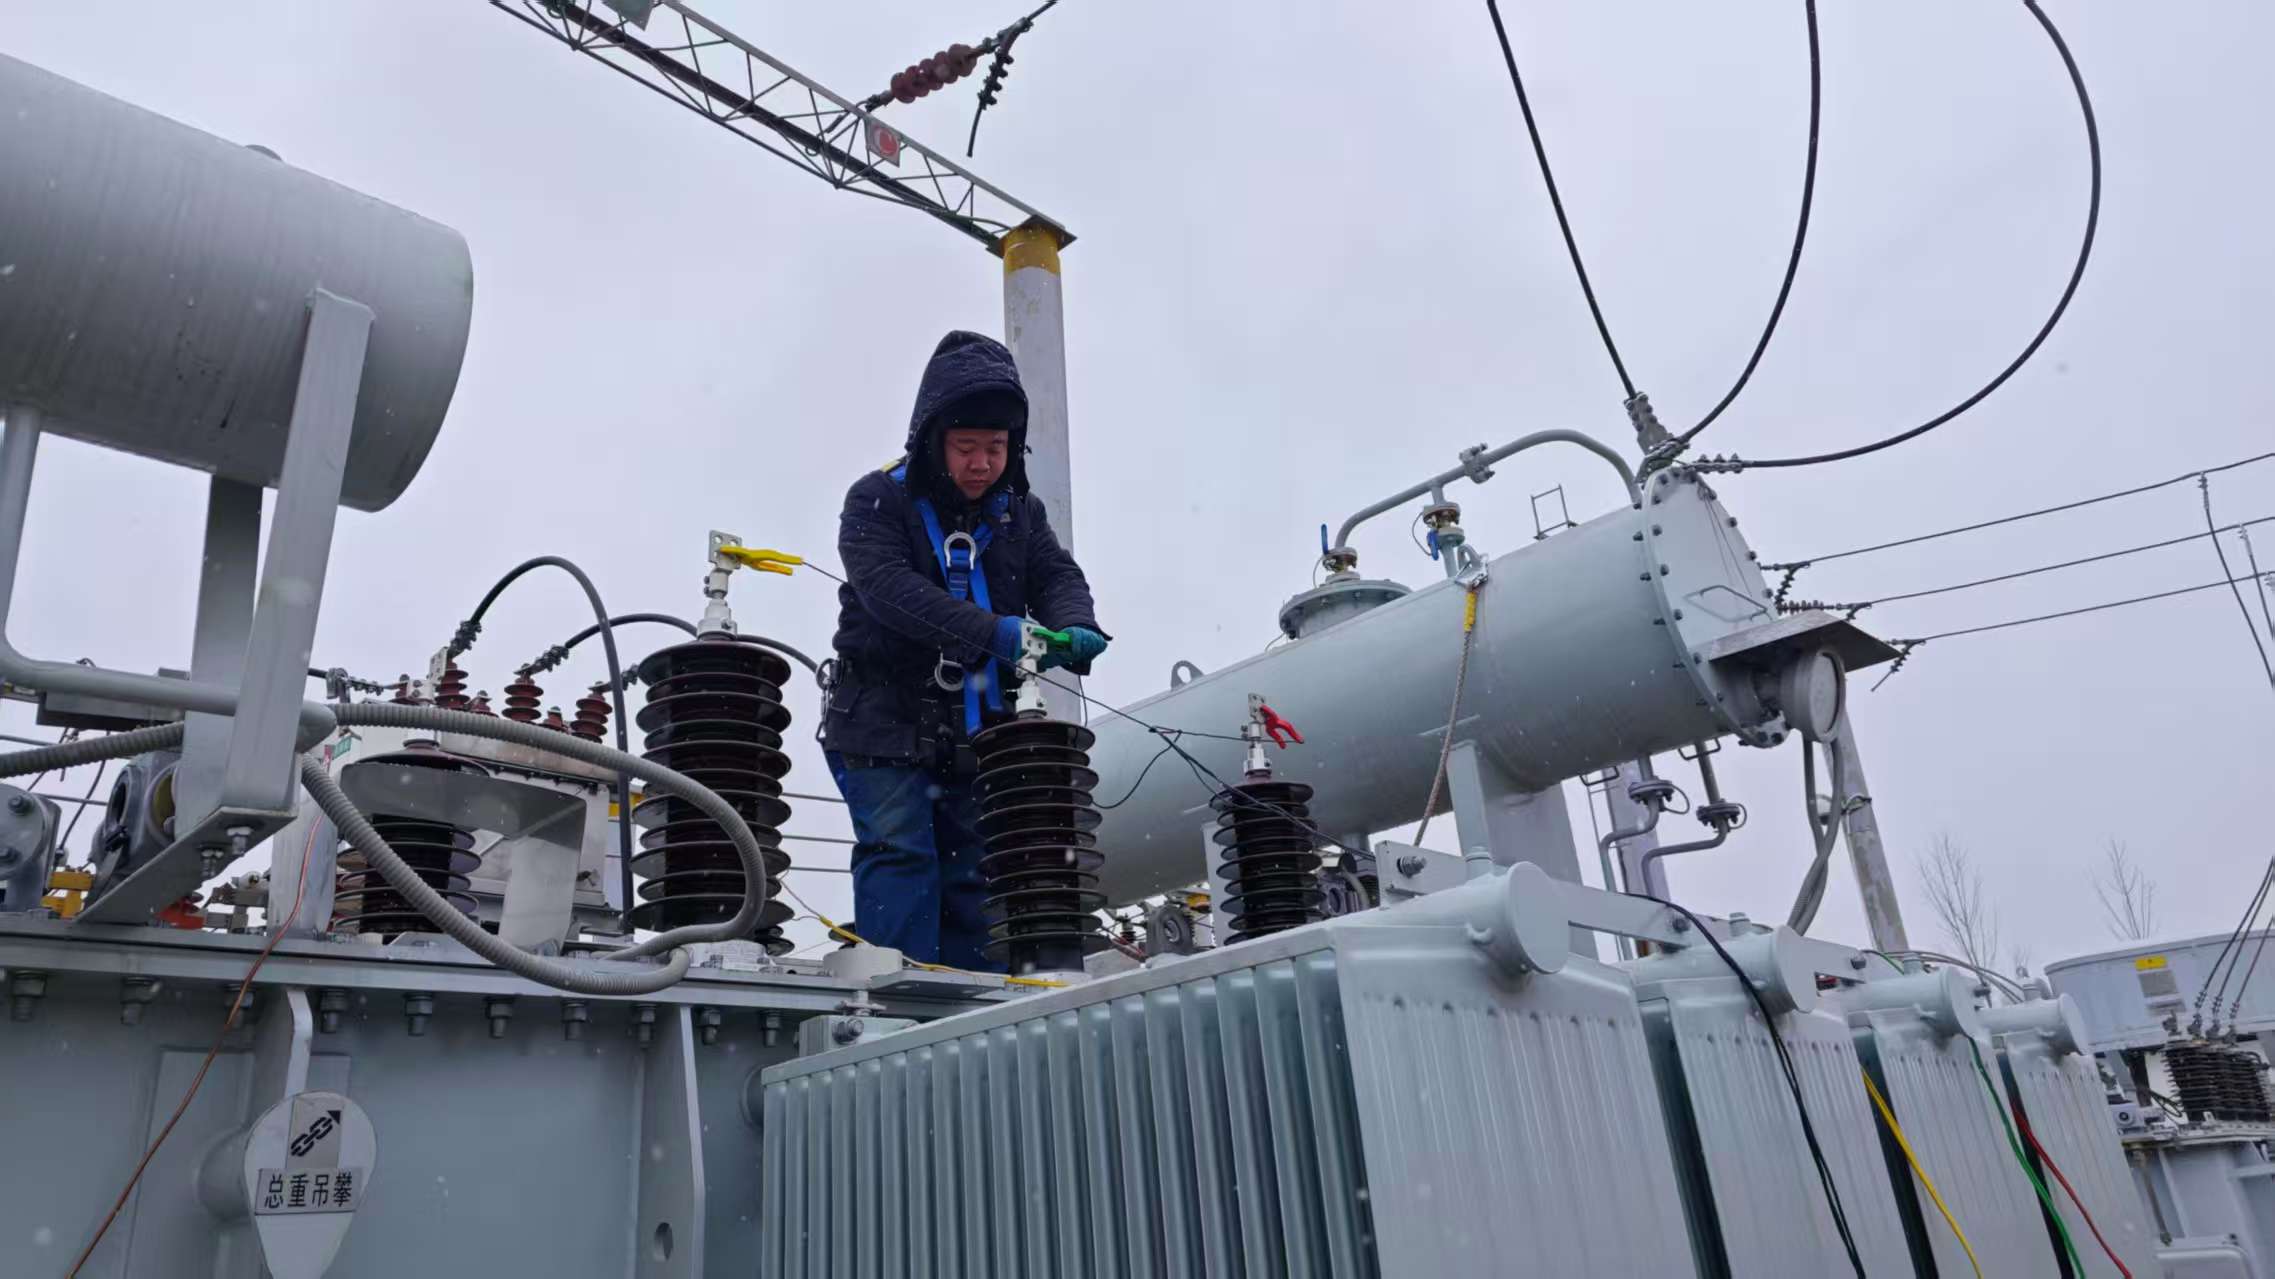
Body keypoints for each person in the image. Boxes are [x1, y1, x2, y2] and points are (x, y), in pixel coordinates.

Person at [821, 330, 1109, 970]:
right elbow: (891, 593)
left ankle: (970, 1010)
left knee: (976, 874)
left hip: (977, 731)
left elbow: (1056, 576)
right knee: (900, 856)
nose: (982, 463)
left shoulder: (1020, 513)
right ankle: (899, 1002)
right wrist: (997, 634)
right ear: (934, 441)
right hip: (881, 721)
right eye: (966, 447)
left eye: (996, 448)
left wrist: (1076, 623)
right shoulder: (876, 500)